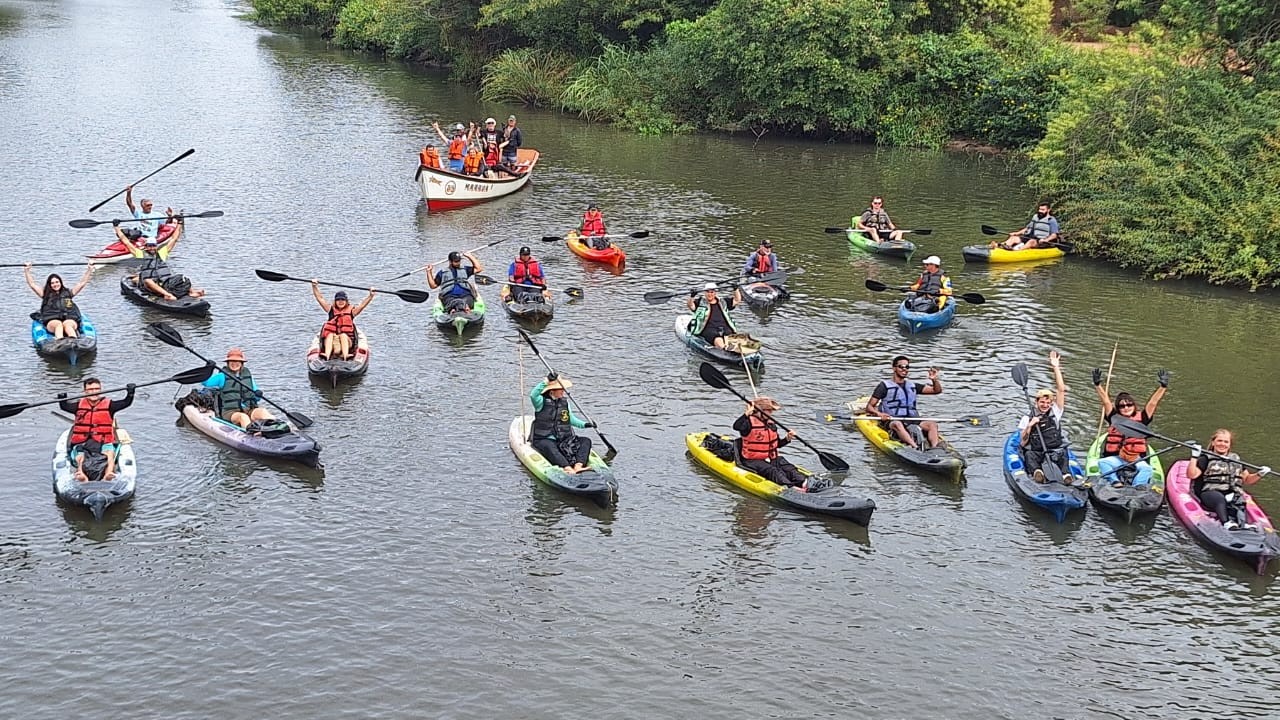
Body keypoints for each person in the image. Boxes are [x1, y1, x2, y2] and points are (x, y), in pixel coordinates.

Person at [1093, 368, 1169, 487]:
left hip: (1136, 459)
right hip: (1117, 458)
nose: (1126, 408)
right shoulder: (1114, 417)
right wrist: (1098, 385)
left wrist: (1163, 387)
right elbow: (1106, 402)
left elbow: (1153, 403)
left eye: (1129, 405)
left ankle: (1138, 486)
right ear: (1118, 408)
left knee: (1147, 469)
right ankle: (1115, 481)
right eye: (1122, 406)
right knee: (1103, 463)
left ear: (1134, 405)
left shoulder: (1143, 418)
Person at [1185, 429, 1271, 530]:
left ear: (1230, 445)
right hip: (1209, 493)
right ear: (1213, 442)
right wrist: (1194, 457)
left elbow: (1247, 480)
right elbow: (1192, 475)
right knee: (1220, 499)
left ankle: (1242, 523)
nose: (1222, 444)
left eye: (1226, 442)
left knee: (1239, 499)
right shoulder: (1205, 458)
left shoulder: (1235, 459)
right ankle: (1226, 523)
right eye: (1219, 441)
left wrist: (1259, 474)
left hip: (1230, 492)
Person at [58, 377, 135, 482]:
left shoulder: (110, 405)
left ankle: (108, 473)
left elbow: (125, 403)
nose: (94, 392)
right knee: (81, 456)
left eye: (96, 389)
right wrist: (62, 398)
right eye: (90, 390)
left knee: (109, 454)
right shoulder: (78, 406)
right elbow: (65, 406)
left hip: (103, 440)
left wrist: (130, 393)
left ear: (100, 390)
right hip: (83, 441)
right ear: (85, 391)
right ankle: (81, 473)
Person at [864, 356, 944, 451]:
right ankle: (915, 448)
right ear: (894, 368)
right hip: (892, 419)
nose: (904, 369)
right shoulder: (883, 386)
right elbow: (869, 407)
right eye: (901, 366)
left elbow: (936, 391)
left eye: (907, 367)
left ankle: (935, 449)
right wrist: (879, 414)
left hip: (911, 419)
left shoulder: (912, 385)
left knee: (932, 424)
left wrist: (934, 379)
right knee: (897, 424)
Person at [119, 217, 205, 301]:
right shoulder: (141, 254)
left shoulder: (162, 253)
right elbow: (126, 242)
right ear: (145, 247)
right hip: (150, 285)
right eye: (149, 246)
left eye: (153, 246)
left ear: (156, 246)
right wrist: (116, 227)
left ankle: (192, 292)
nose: (152, 248)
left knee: (180, 277)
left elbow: (174, 239)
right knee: (147, 280)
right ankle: (167, 295)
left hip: (163, 282)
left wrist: (179, 223)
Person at [1019, 350, 1072, 483]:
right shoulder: (1027, 418)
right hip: (1038, 452)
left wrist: (1056, 367)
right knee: (1029, 455)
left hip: (1055, 450)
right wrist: (1030, 425)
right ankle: (1038, 473)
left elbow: (1061, 390)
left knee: (1063, 453)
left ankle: (1066, 475)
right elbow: (1023, 442)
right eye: (1042, 402)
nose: (1045, 405)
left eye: (1048, 403)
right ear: (1036, 402)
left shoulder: (1056, 412)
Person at [732, 396, 806, 488]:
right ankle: (790, 487)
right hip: (751, 460)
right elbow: (736, 426)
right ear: (760, 411)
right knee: (772, 470)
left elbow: (777, 444)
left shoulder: (771, 424)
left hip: (769, 458)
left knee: (785, 465)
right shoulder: (748, 423)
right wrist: (746, 414)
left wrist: (787, 438)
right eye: (769, 410)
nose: (771, 413)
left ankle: (804, 483)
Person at [528, 373, 594, 474]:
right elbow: (533, 395)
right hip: (544, 439)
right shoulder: (540, 402)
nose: (563, 391)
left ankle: (578, 466)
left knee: (586, 441)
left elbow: (571, 420)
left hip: (564, 439)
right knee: (550, 446)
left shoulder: (564, 403)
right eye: (560, 389)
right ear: (552, 391)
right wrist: (546, 381)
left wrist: (586, 425)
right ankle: (567, 468)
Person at [202, 348, 274, 430]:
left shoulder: (247, 375)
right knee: (243, 417)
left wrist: (258, 395)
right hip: (231, 412)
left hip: (249, 409)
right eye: (232, 361)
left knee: (262, 412)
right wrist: (208, 369)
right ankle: (252, 434)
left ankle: (278, 428)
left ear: (242, 363)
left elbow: (256, 398)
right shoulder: (222, 376)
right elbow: (205, 383)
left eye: (237, 361)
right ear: (228, 363)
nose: (234, 364)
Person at [25, 262, 94, 338]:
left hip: (68, 319)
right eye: (52, 283)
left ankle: (74, 341)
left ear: (60, 282)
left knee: (67, 325)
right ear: (50, 285)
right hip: (52, 321)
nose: (55, 284)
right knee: (59, 325)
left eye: (57, 282)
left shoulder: (68, 293)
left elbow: (82, 283)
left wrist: (89, 269)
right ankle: (60, 341)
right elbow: (32, 285)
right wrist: (27, 271)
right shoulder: (45, 295)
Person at [312, 282, 373, 360]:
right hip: (333, 342)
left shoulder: (352, 311)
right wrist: (314, 286)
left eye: (343, 300)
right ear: (335, 301)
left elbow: (362, 305)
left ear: (346, 301)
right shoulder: (330, 310)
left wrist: (370, 296)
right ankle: (327, 356)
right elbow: (320, 298)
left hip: (347, 342)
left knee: (343, 335)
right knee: (330, 334)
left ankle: (345, 355)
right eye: (338, 300)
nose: (340, 302)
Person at [687, 282, 743, 349]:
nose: (709, 294)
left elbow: (737, 300)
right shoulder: (700, 302)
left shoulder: (723, 301)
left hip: (725, 328)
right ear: (704, 292)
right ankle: (724, 350)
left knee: (730, 337)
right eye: (707, 292)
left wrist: (736, 289)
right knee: (718, 340)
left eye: (712, 292)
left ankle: (735, 350)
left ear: (715, 293)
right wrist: (692, 296)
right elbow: (690, 305)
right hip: (708, 329)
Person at [993, 202, 1059, 250]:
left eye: (1043, 210)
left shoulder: (1051, 220)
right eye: (1039, 209)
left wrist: (1046, 240)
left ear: (1048, 210)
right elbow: (1027, 228)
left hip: (1041, 240)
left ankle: (1017, 251)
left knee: (1031, 241)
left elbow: (1054, 235)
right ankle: (999, 246)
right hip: (1029, 237)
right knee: (1013, 237)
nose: (1040, 211)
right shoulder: (1035, 217)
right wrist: (1016, 233)